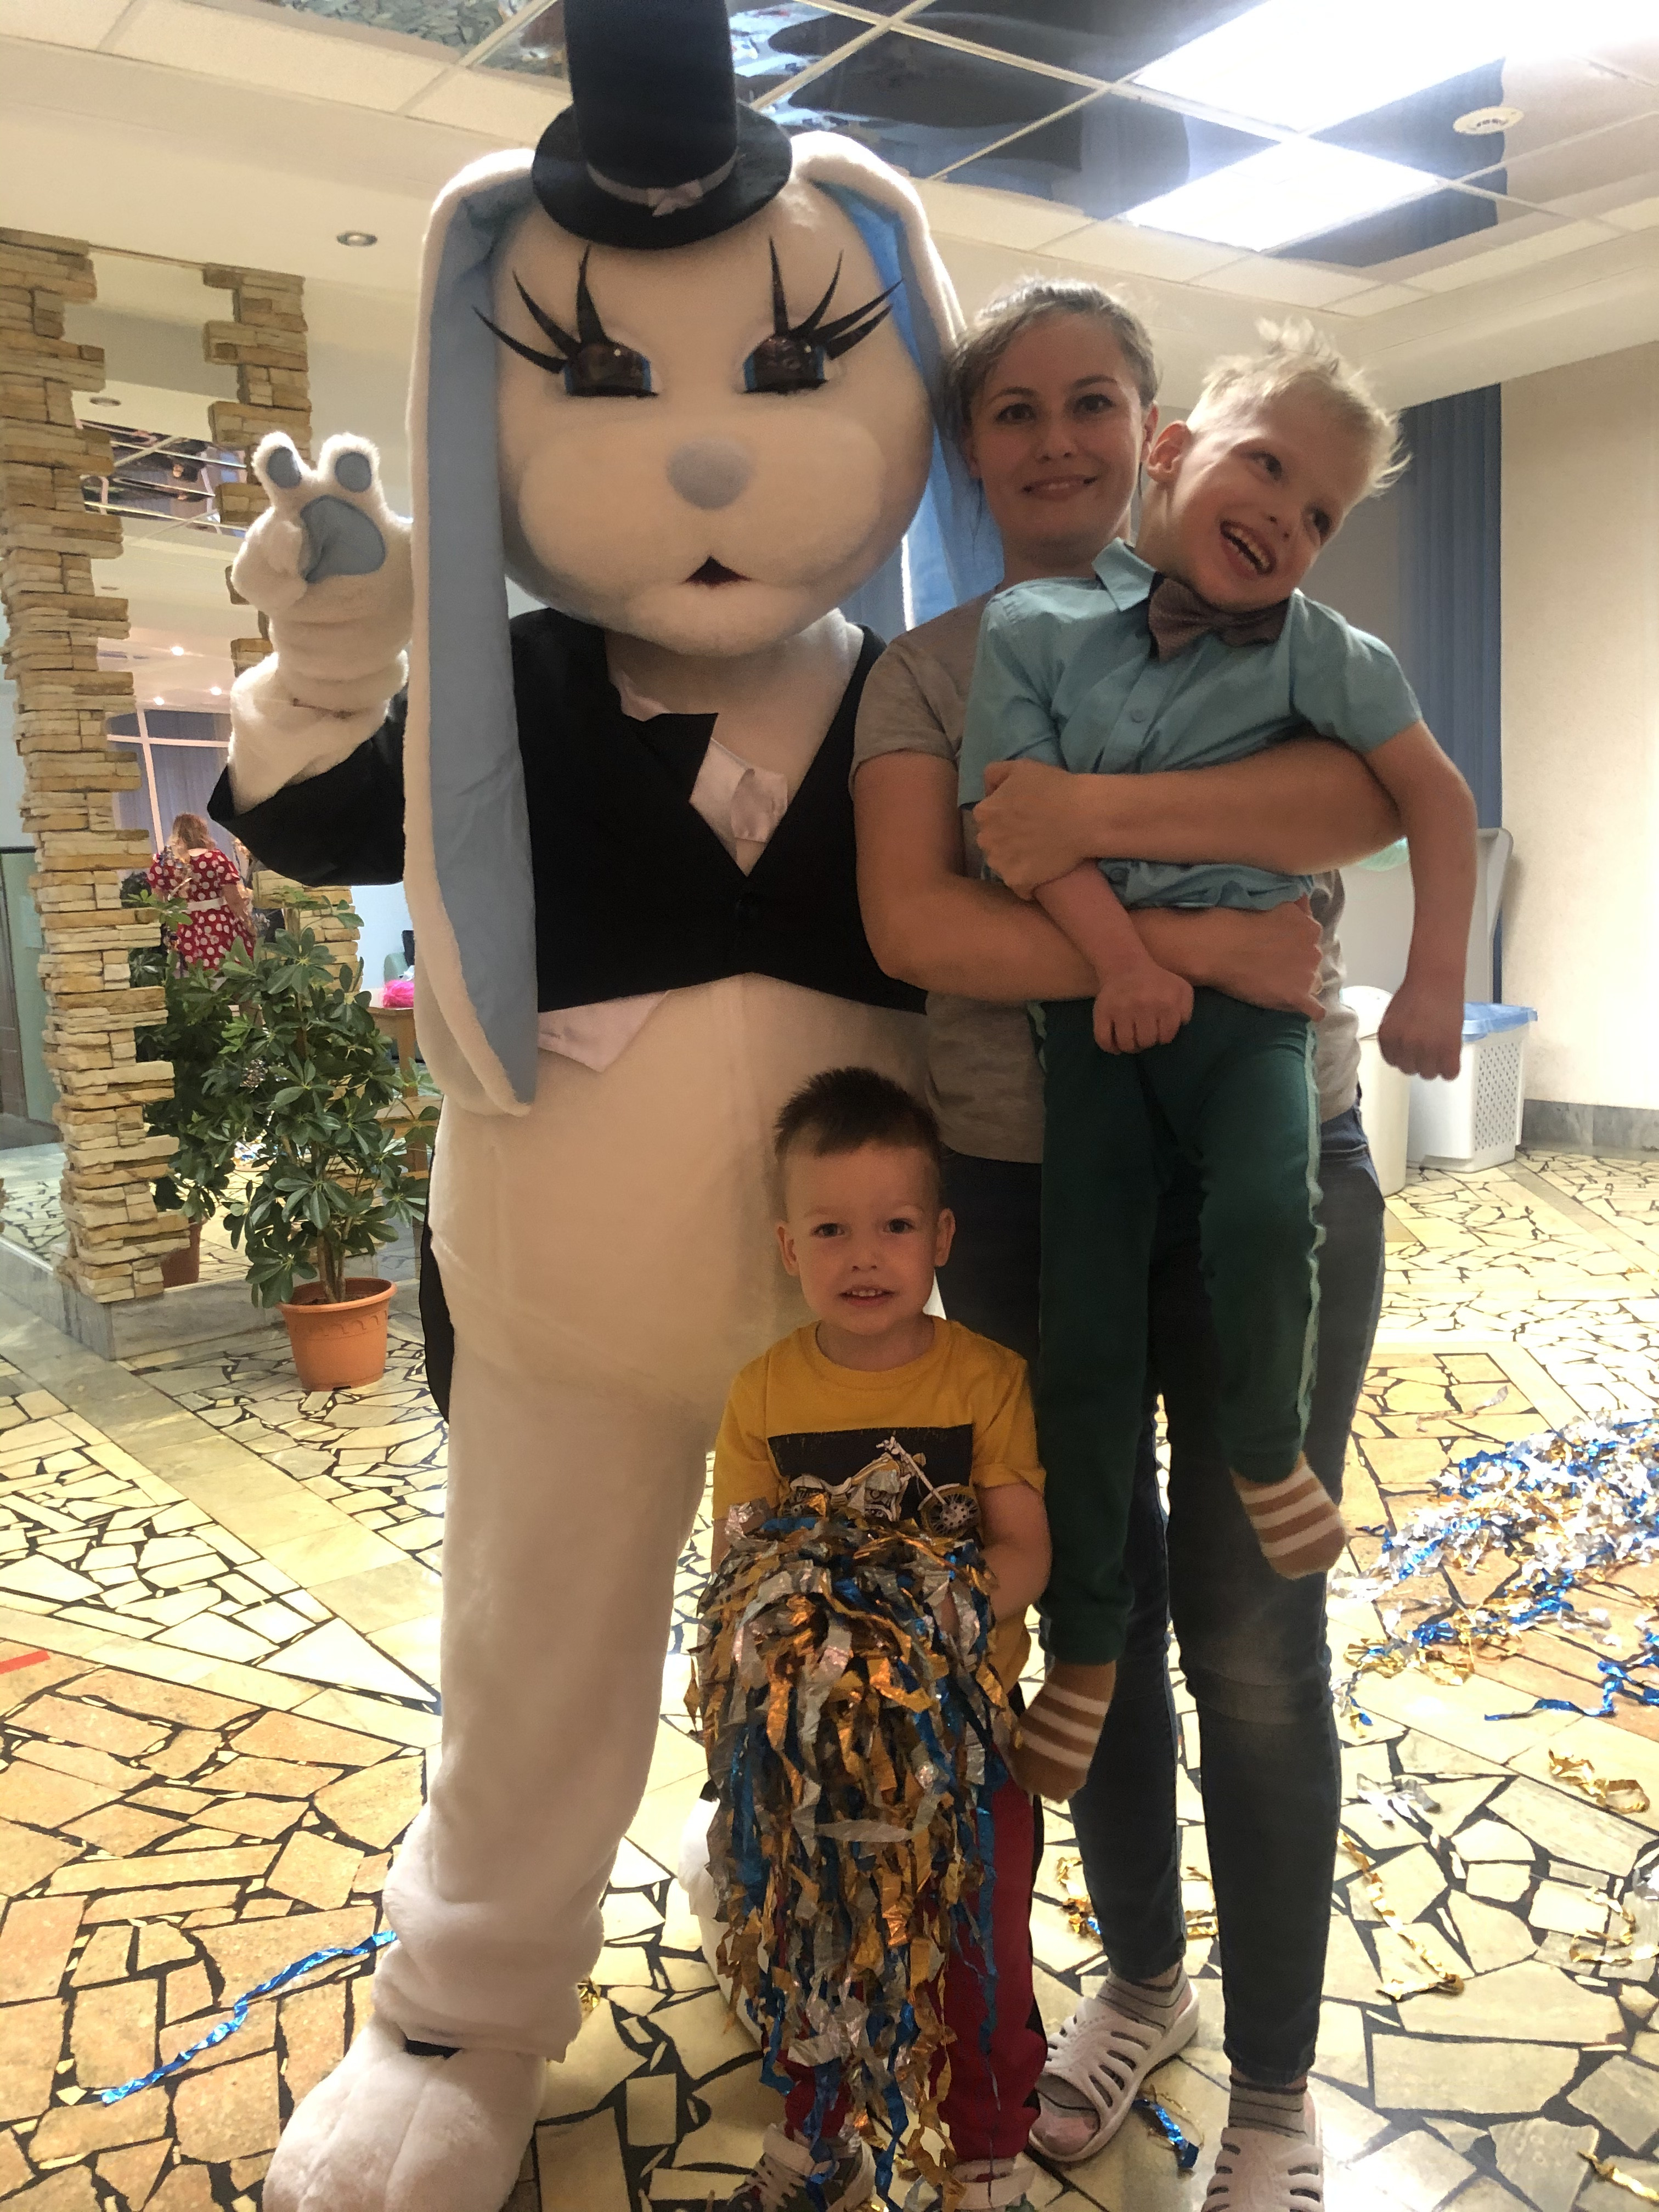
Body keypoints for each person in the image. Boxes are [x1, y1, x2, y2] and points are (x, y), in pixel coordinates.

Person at [850, 279, 1407, 2210]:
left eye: (1091, 400)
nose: (1056, 440)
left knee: (1252, 1632)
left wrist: (1086, 818)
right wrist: (1205, 936)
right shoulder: (924, 678)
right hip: (1026, 1190)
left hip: (1269, 1169)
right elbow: (920, 923)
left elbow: (1350, 803)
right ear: (970, 452)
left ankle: (1277, 2086)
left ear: (1153, 429)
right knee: (1096, 1597)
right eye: (1013, 411)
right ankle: (1146, 1983)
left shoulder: (1281, 634)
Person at [958, 322, 1477, 1799]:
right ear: (1176, 452)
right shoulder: (1032, 633)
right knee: (1082, 1343)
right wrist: (1126, 962)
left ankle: (1261, 1447)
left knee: (1267, 1218)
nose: (1288, 520)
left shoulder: (1327, 654)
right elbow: (1014, 836)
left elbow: (1424, 804)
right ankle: (1086, 1651)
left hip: (1256, 1027)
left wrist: (1437, 977)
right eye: (1267, 468)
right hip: (1097, 1028)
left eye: (1322, 514)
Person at [707, 1068, 1051, 2212]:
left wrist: (909, 1634)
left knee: (983, 1958)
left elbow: (1025, 1552)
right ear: (787, 1247)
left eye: (895, 1226)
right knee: (812, 1950)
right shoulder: (759, 1394)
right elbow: (739, 1573)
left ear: (940, 1236)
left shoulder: (987, 1379)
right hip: (811, 1765)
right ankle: (819, 2148)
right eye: (831, 1230)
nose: (865, 1256)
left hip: (968, 1749)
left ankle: (987, 2157)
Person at [145, 811, 255, 970]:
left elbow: (158, 904)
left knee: (193, 974)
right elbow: (235, 901)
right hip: (219, 925)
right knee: (228, 970)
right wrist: (250, 927)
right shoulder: (216, 859)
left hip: (185, 926)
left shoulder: (163, 863)